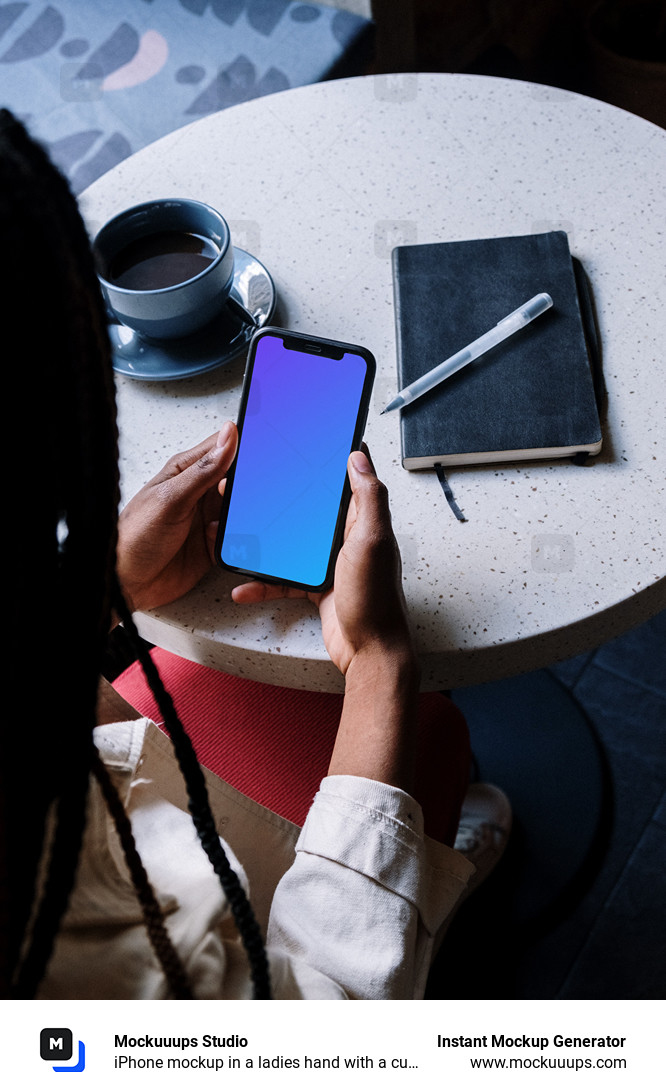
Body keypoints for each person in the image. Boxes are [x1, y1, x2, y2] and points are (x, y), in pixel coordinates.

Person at [1, 109, 510, 1001]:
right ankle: (429, 882)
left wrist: (108, 588)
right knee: (426, 735)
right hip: (243, 949)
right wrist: (380, 663)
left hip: (146, 802)